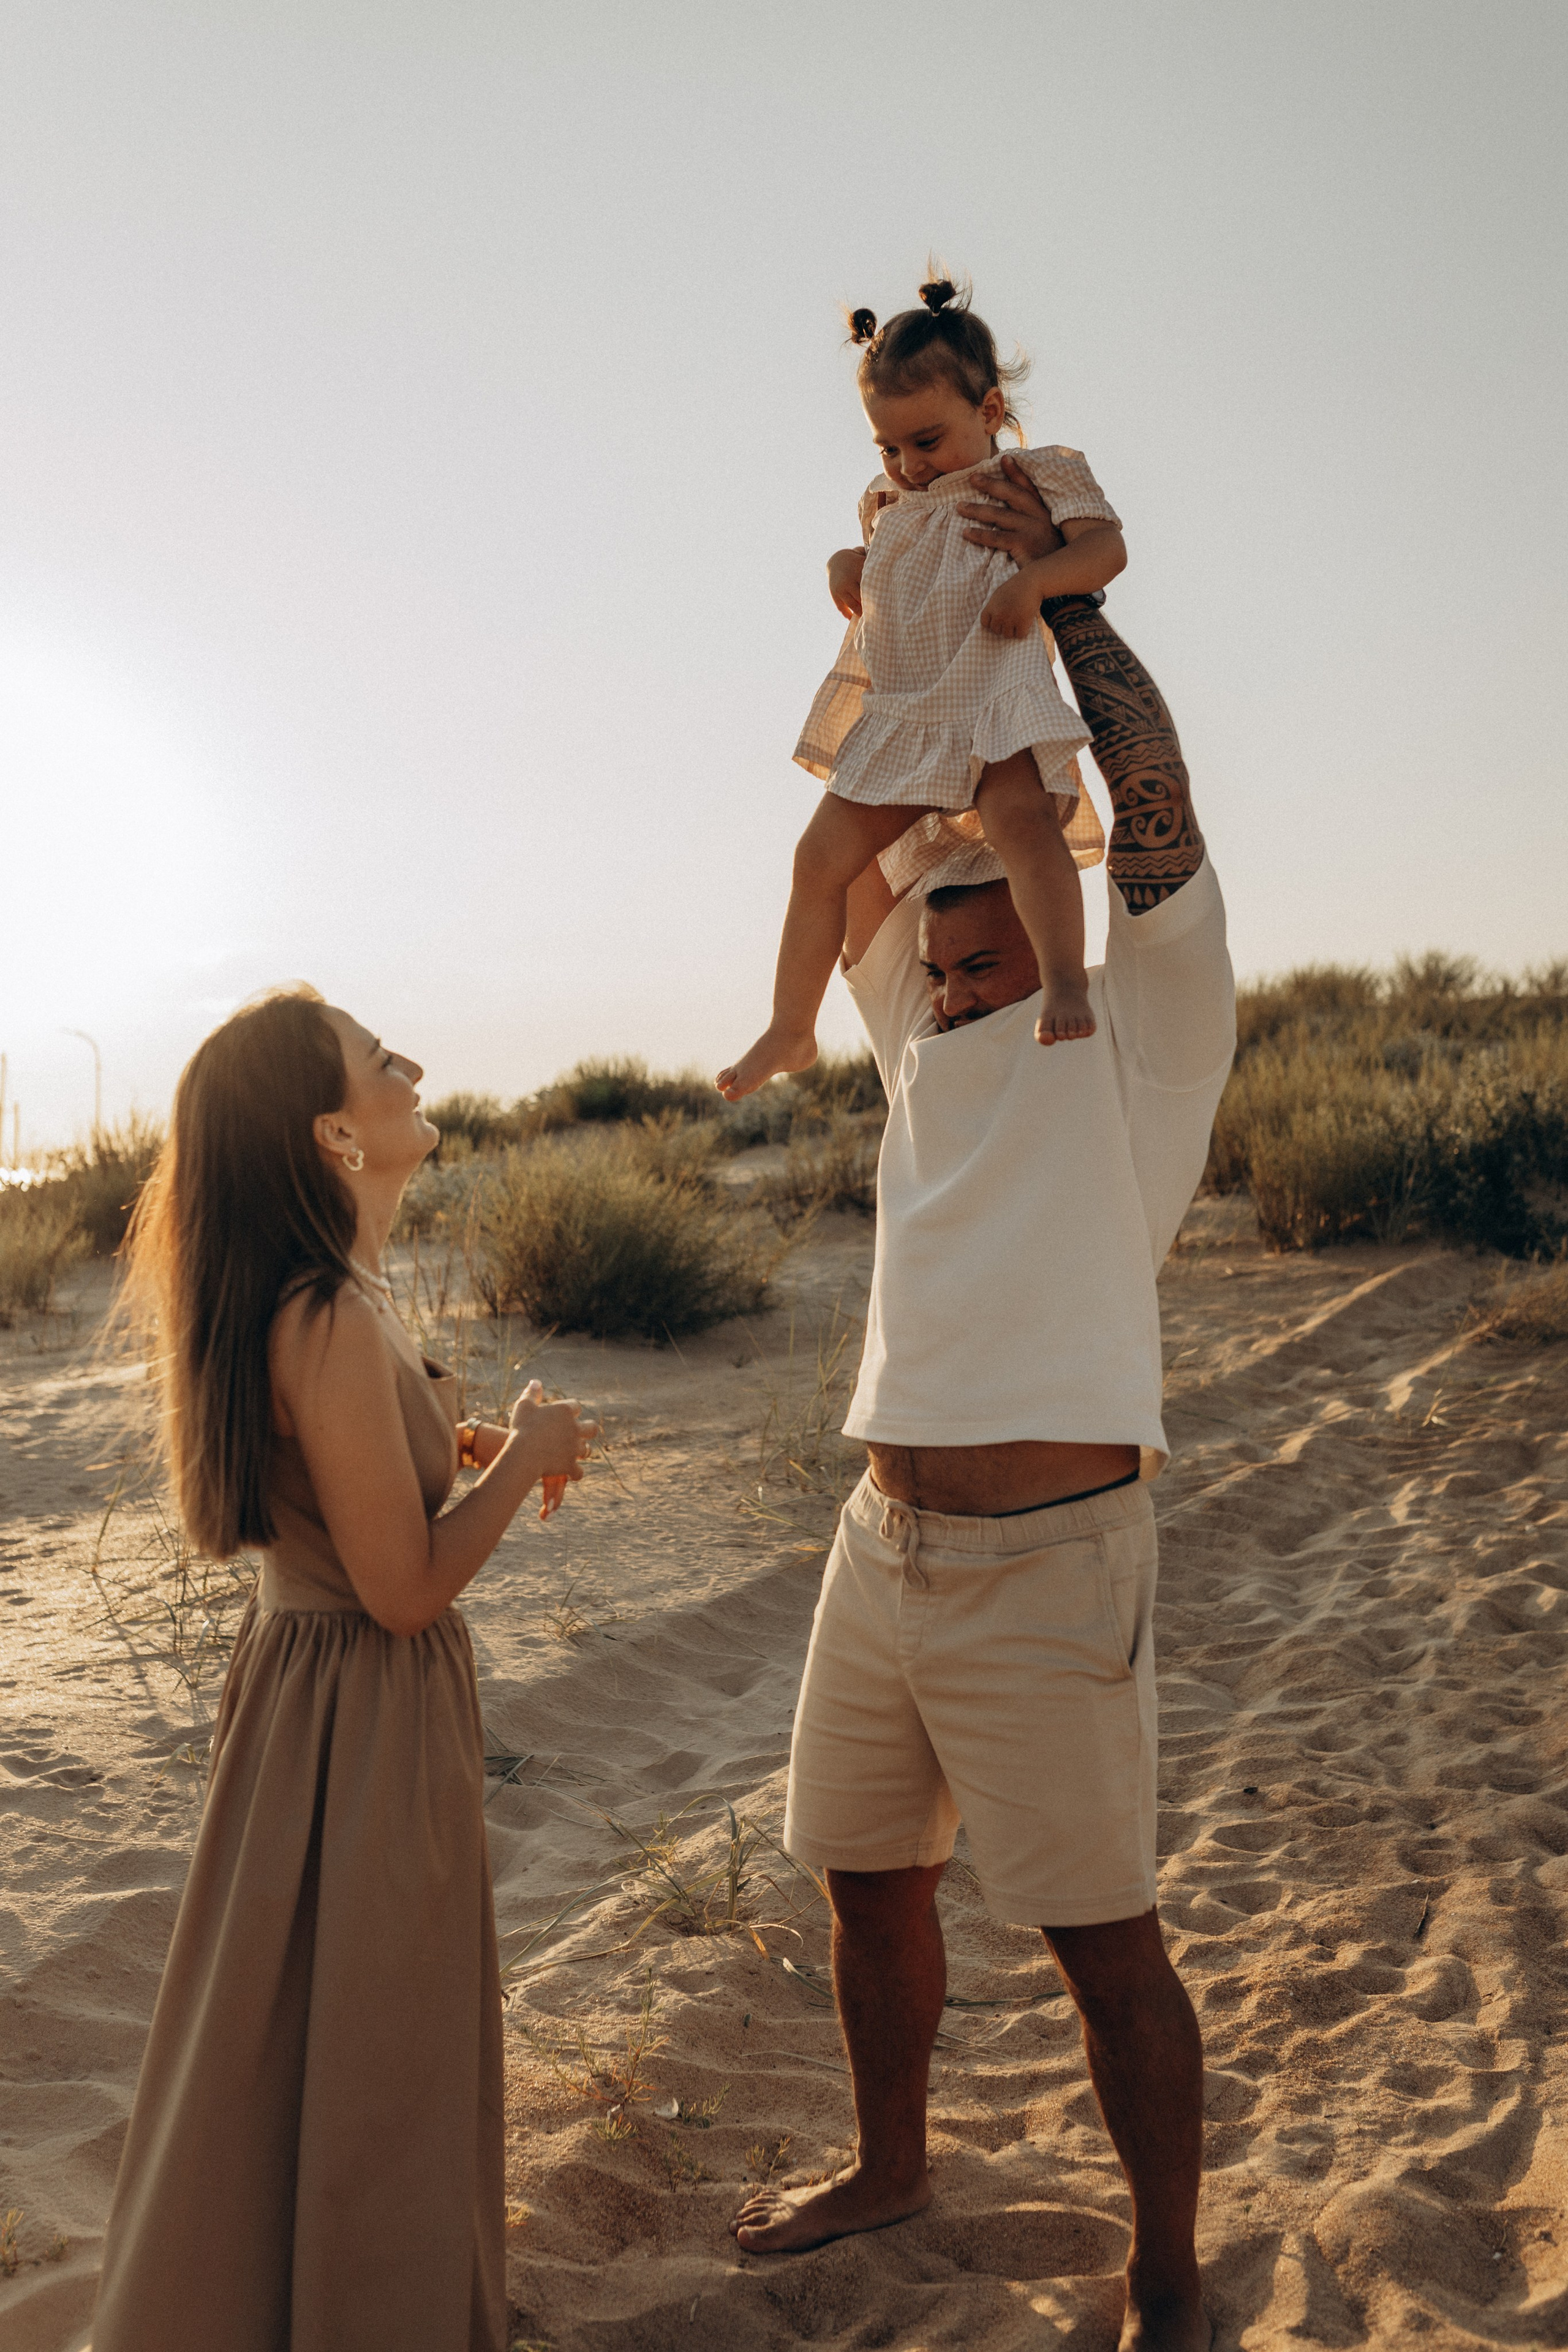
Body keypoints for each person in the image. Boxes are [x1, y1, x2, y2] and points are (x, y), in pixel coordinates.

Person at [730, 473, 1235, 2352]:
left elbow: (1158, 797)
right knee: (869, 1887)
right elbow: (847, 851)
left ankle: (1167, 2274)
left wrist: (1046, 603)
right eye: (932, 948)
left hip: (1051, 1562)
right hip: (884, 1549)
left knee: (1108, 1950)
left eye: (982, 936)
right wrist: (903, 625)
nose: (946, 966)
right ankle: (892, 2167)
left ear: (1059, 912)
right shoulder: (926, 1035)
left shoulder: (1142, 1030)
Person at [89, 989, 598, 2352]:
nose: (414, 1066)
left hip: (338, 1707)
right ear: (333, 1133)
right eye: (383, 1062)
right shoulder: (318, 1312)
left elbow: (364, 1480)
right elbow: (401, 1587)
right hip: (354, 1715)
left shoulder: (344, 1295)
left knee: (323, 2040)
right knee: (372, 2054)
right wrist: (536, 1455)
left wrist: (468, 1442)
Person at [717, 274, 1126, 1103]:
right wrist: (845, 564)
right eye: (889, 449)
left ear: (989, 410)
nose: (908, 466)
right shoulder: (888, 503)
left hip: (992, 700)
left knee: (1022, 825)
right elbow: (884, 569)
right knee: (818, 858)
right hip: (907, 718)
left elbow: (1106, 552)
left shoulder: (1038, 475)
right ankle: (792, 1027)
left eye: (927, 442)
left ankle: (1065, 982)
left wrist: (1038, 580)